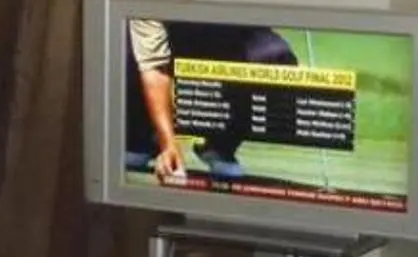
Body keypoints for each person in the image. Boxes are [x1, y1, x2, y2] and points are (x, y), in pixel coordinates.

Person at [123, 17, 296, 184]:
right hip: (175, 39)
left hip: (229, 38)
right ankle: (142, 139)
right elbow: (153, 67)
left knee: (275, 55)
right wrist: (168, 144)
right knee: (123, 40)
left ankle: (220, 146)